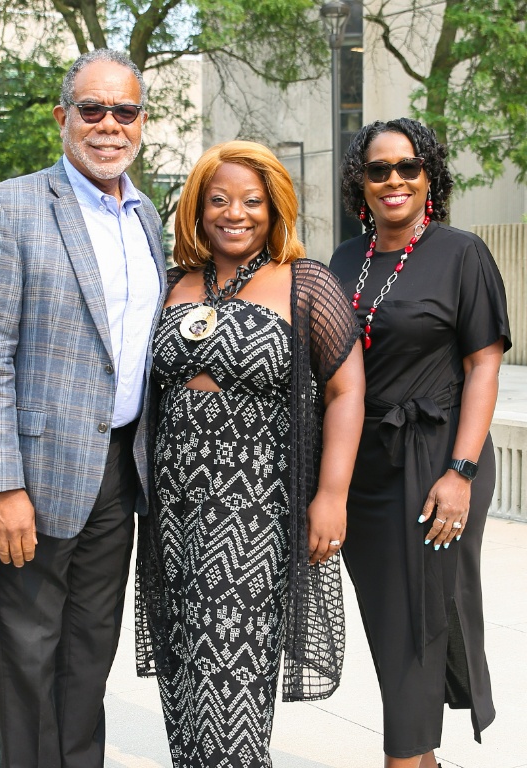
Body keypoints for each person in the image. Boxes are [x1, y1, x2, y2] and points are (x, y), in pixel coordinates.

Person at [0, 49, 165, 768]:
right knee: (29, 659)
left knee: (89, 654)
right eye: (93, 109)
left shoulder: (148, 216)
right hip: (34, 475)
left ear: (143, 121)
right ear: (62, 117)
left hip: (121, 467)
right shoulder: (6, 208)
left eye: (126, 111)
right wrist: (1, 484)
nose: (110, 125)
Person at [135, 140, 365, 767]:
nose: (234, 213)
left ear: (275, 209)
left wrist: (331, 495)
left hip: (253, 514)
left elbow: (346, 391)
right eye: (218, 200)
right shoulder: (173, 283)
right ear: (196, 208)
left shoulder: (304, 283)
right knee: (185, 673)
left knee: (232, 668)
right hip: (174, 513)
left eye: (252, 201)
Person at [329, 118, 511, 768]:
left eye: (408, 166)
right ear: (362, 182)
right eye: (379, 169)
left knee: (421, 615)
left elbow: (483, 364)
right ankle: (421, 757)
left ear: (429, 174)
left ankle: (406, 758)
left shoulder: (461, 253)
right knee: (390, 619)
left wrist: (460, 471)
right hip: (366, 465)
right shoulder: (345, 260)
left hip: (437, 460)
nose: (394, 179)